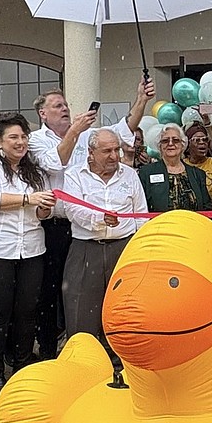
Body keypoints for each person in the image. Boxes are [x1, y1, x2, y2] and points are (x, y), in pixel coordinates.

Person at [28, 78, 155, 359]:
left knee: (119, 301)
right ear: (42, 113)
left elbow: (124, 130)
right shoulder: (37, 141)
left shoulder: (96, 139)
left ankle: (117, 352)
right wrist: (75, 130)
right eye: (58, 105)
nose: (65, 109)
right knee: (63, 296)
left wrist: (141, 100)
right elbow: (54, 164)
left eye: (66, 105)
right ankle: (62, 351)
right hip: (58, 228)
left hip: (114, 239)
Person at [0, 113, 56, 396]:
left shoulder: (34, 170)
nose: (20, 142)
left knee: (27, 311)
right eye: (13, 137)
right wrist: (28, 200)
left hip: (30, 248)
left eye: (24, 137)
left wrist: (44, 207)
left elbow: (43, 211)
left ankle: (22, 366)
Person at [61, 128, 148, 369]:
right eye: (107, 151)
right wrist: (100, 219)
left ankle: (122, 363)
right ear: (91, 152)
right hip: (86, 249)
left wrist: (140, 250)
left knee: (124, 309)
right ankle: (82, 364)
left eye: (116, 150)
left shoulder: (130, 175)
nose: (114, 156)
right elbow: (72, 210)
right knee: (81, 311)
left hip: (123, 248)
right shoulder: (75, 175)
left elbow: (141, 214)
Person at [138, 123, 212, 212]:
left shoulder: (198, 174)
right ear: (160, 146)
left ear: (183, 145)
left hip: (192, 224)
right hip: (161, 225)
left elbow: (207, 208)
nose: (170, 143)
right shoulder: (146, 172)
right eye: (165, 141)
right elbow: (141, 207)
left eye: (175, 140)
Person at [183, 120, 212, 213]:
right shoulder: (181, 165)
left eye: (205, 139)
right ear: (188, 144)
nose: (202, 143)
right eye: (197, 140)